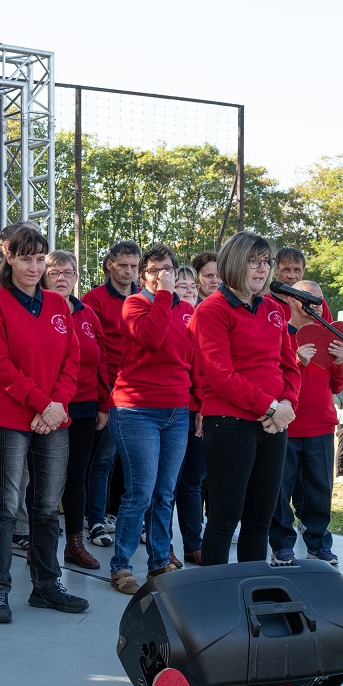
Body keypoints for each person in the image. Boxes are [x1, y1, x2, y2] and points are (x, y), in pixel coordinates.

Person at [0, 225, 85, 623]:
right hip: (11, 417)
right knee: (5, 508)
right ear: (9, 257)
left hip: (53, 418)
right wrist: (43, 403)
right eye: (26, 259)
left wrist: (57, 405)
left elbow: (72, 359)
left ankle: (46, 585)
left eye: (40, 259)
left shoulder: (58, 305)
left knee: (46, 508)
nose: (34, 267)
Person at [188, 232, 300, 566]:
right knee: (225, 519)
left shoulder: (274, 309)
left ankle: (253, 587)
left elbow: (289, 365)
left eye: (266, 262)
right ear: (235, 263)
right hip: (231, 424)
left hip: (273, 425)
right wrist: (271, 407)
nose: (262, 269)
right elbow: (220, 375)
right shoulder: (211, 310)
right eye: (254, 261)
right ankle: (216, 592)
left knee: (260, 521)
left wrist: (287, 404)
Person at [106, 244, 194, 594]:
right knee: (140, 492)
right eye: (154, 270)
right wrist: (165, 295)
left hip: (177, 410)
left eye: (167, 269)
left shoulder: (187, 310)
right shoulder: (134, 304)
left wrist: (199, 404)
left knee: (165, 492)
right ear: (142, 275)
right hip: (136, 409)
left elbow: (194, 360)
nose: (162, 275)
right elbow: (152, 338)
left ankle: (159, 562)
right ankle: (121, 566)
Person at [269, 280, 343, 567]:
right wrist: (296, 360)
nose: (315, 304)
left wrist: (339, 362)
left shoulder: (329, 335)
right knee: (280, 491)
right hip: (285, 425)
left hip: (321, 425)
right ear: (292, 300)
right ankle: (281, 546)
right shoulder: (278, 333)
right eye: (307, 299)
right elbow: (271, 378)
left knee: (319, 491)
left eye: (319, 299)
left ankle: (318, 544)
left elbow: (337, 386)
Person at [43, 250, 110, 571]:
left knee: (76, 476)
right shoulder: (38, 310)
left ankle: (74, 543)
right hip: (47, 409)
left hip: (84, 408)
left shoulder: (87, 314)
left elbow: (101, 361)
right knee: (44, 479)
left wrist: (103, 403)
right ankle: (38, 544)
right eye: (55, 273)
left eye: (68, 273)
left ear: (76, 278)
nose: (62, 278)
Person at [81, 240, 141, 547]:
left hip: (142, 395)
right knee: (102, 461)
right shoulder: (93, 300)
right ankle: (95, 520)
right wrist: (104, 396)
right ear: (109, 265)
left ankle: (129, 520)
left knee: (135, 464)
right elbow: (94, 352)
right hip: (110, 393)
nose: (129, 272)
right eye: (123, 265)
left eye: (134, 266)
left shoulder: (145, 299)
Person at [173, 265, 207, 565]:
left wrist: (204, 406)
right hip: (173, 408)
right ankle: (162, 547)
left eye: (192, 286)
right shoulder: (169, 319)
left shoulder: (205, 320)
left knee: (193, 480)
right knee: (167, 484)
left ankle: (193, 544)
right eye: (181, 286)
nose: (188, 291)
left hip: (200, 409)